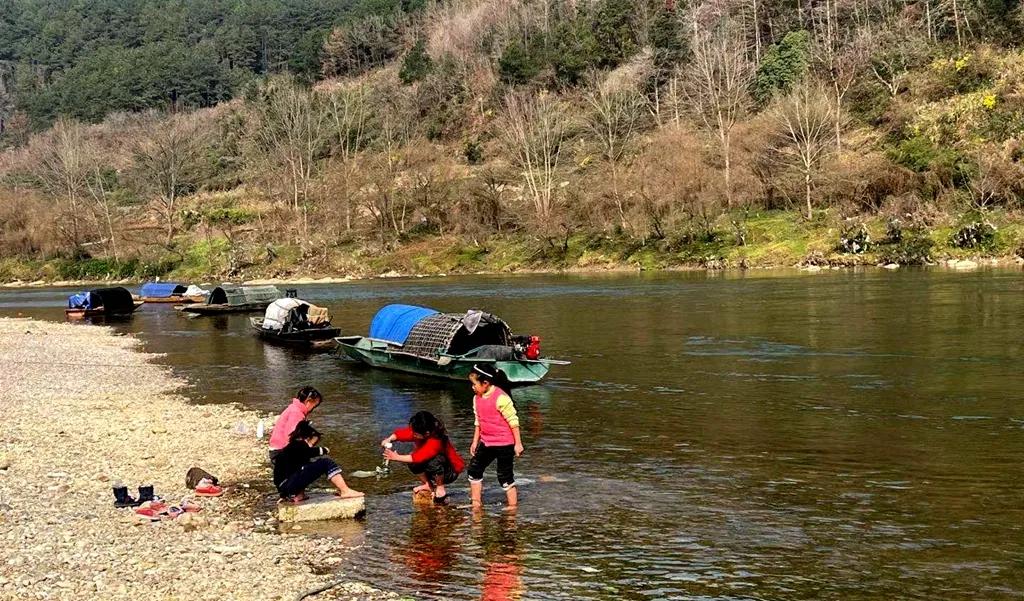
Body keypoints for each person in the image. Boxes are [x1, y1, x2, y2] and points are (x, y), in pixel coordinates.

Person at [467, 364, 523, 509]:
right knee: (474, 470)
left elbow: (513, 422)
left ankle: (512, 507)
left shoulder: (501, 398)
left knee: (504, 477)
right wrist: (475, 442)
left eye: (474, 384)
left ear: (485, 383)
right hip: (486, 442)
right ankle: (476, 503)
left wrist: (518, 444)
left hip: (505, 444)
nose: (472, 387)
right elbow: (478, 421)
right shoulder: (476, 399)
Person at [382, 411, 465, 504]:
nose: (413, 434)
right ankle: (427, 484)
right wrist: (389, 439)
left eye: (415, 433)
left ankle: (440, 487)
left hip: (450, 472)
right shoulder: (419, 432)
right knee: (412, 459)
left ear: (427, 433)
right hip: (435, 470)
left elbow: (419, 457)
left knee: (433, 460)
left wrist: (396, 457)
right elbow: (402, 434)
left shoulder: (436, 441)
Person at [273, 420, 363, 502]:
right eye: (313, 443)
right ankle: (345, 490)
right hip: (289, 484)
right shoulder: (299, 445)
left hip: (284, 487)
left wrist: (283, 494)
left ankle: (298, 495)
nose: (312, 446)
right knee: (326, 463)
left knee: (305, 467)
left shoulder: (290, 448)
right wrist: (324, 450)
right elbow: (310, 452)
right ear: (307, 438)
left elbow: (299, 469)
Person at [268, 386, 322, 462]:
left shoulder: (294, 408)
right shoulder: (297, 413)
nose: (313, 409)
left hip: (277, 449)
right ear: (308, 402)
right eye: (314, 406)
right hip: (280, 452)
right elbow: (290, 435)